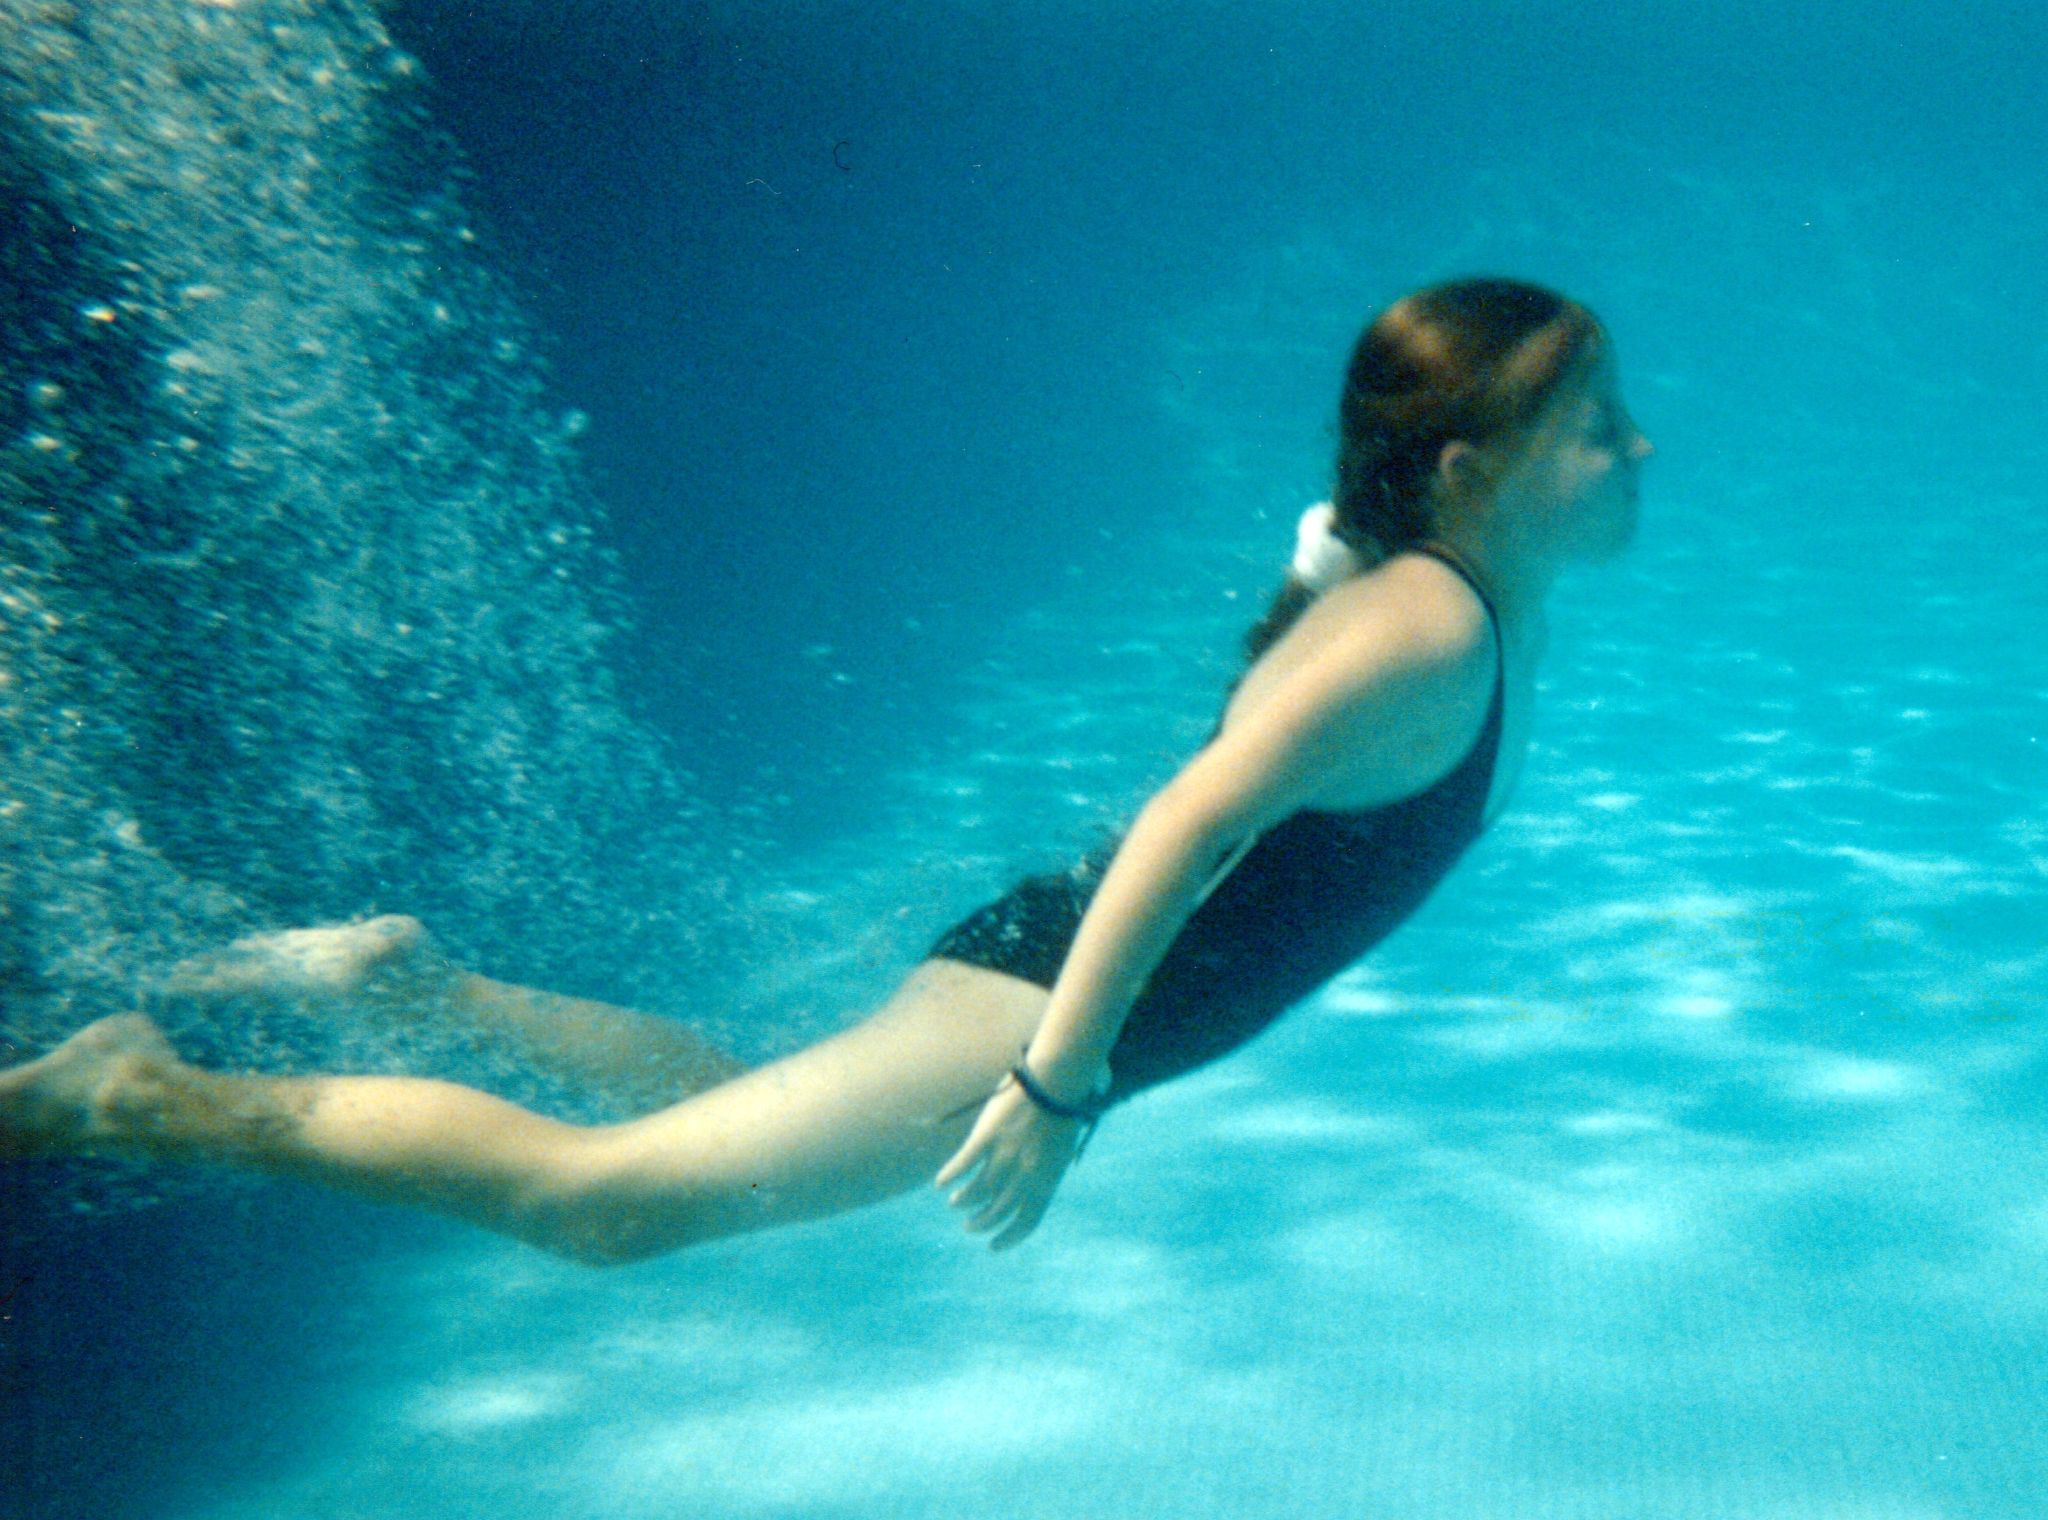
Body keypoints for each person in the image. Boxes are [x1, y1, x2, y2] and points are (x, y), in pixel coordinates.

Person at [0, 278, 1652, 1262]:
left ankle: (419, 991)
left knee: (716, 1104)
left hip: (1040, 978)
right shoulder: (1432, 630)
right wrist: (1060, 1089)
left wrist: (1312, 583)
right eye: (1598, 426)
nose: (1637, 447)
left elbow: (1278, 724)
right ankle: (138, 1093)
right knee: (605, 1207)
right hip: (1045, 1015)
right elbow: (1190, 818)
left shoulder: (1459, 598)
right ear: (1470, 473)